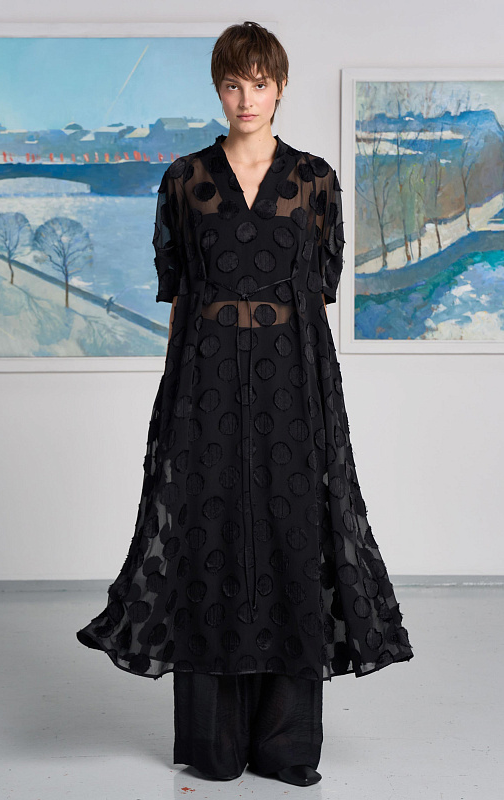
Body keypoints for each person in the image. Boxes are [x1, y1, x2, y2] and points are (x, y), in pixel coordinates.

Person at [76, 20, 414, 787]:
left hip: (294, 384)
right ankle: (213, 744)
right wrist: (173, 402)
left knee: (294, 542)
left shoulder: (315, 179)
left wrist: (322, 404)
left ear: (280, 86)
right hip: (204, 385)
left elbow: (316, 296)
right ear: (218, 89)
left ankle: (287, 746)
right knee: (211, 538)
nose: (245, 98)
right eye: (232, 84)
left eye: (258, 83)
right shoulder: (184, 179)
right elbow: (178, 297)